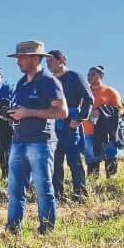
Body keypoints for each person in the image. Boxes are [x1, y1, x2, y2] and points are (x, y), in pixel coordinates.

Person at [6, 40, 68, 234]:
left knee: (43, 188)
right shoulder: (21, 83)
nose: (18, 62)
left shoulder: (49, 82)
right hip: (18, 141)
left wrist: (29, 113)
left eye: (21, 58)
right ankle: (13, 227)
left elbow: (62, 112)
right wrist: (10, 114)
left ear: (35, 58)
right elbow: (21, 109)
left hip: (41, 142)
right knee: (15, 190)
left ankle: (46, 229)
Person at [45, 49, 93, 201]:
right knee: (55, 162)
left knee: (74, 161)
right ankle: (57, 195)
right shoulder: (49, 81)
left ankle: (80, 195)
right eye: (47, 62)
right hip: (53, 125)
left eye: (51, 61)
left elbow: (89, 98)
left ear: (61, 60)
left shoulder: (75, 77)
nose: (48, 65)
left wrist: (78, 119)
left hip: (71, 124)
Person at [84, 66, 123, 178]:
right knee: (92, 159)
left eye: (92, 74)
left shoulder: (110, 92)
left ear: (100, 75)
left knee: (110, 156)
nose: (89, 77)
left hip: (107, 132)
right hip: (88, 131)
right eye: (88, 75)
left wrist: (101, 112)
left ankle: (112, 185)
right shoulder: (84, 92)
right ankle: (93, 185)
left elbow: (119, 110)